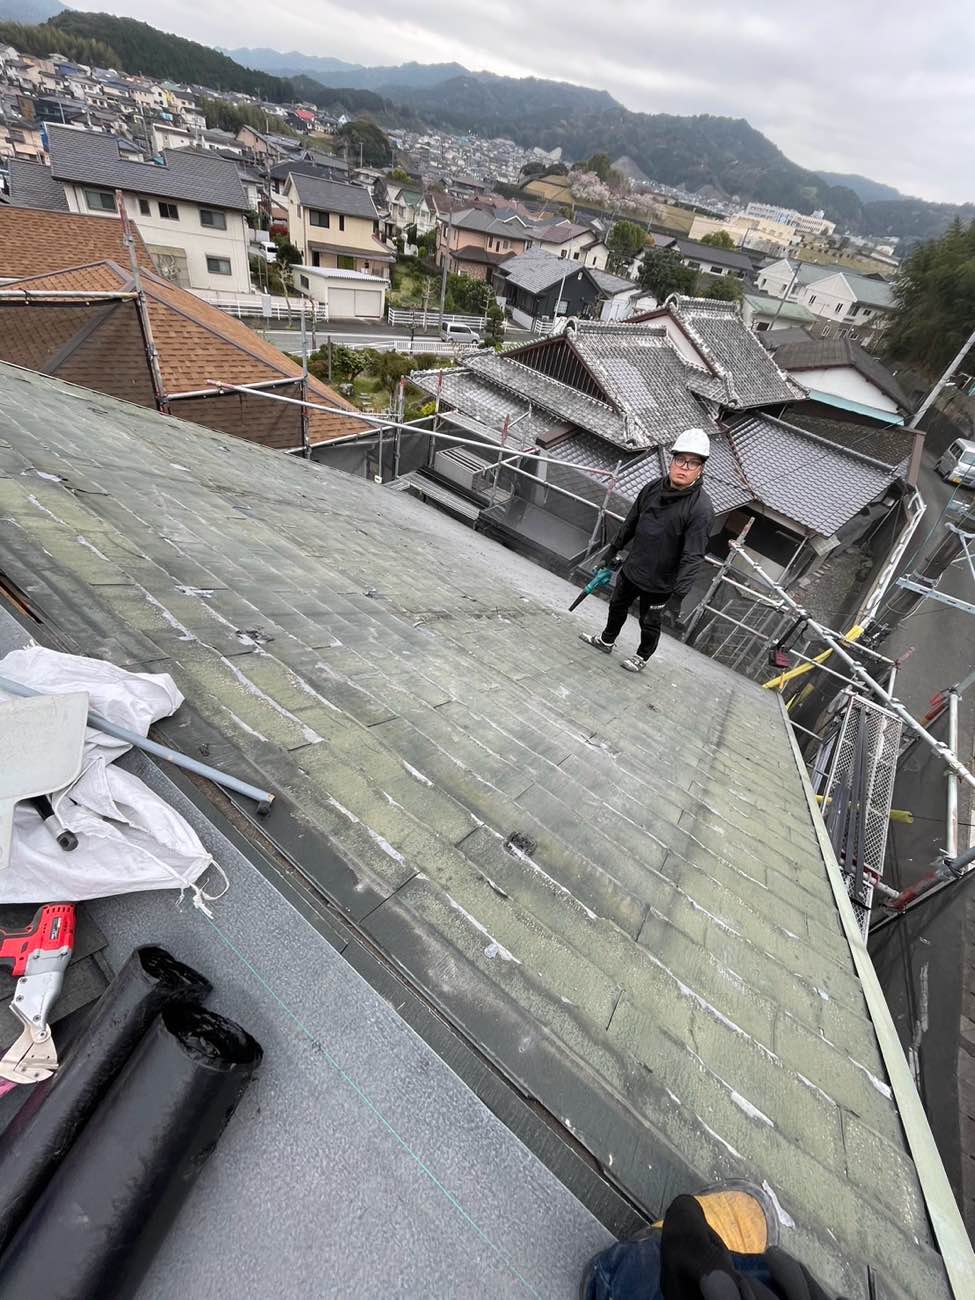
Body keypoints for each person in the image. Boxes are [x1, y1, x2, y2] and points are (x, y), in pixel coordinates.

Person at [580, 428, 715, 673]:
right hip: (634, 568)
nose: (684, 467)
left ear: (701, 469)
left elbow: (693, 557)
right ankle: (606, 640)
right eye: (680, 460)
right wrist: (613, 550)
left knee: (650, 622)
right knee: (617, 606)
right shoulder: (652, 488)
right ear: (671, 461)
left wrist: (677, 597)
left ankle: (641, 656)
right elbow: (630, 522)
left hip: (661, 583)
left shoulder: (701, 509)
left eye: (692, 463)